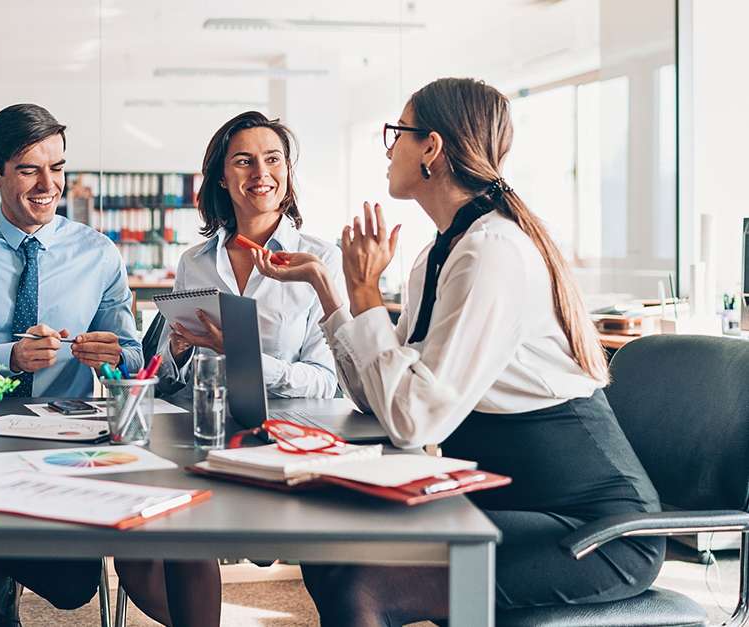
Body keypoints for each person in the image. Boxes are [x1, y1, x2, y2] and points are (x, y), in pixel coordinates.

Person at [253, 77, 665, 626]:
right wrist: (334, 293)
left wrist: (367, 294)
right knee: (330, 552)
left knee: (364, 583)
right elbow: (380, 397)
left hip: (597, 532)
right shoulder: (439, 254)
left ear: (431, 148)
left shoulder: (491, 253)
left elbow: (414, 422)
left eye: (396, 133)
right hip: (509, 502)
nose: (388, 148)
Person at [115, 111, 344, 626]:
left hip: (289, 437)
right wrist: (176, 348)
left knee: (184, 529)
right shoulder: (196, 261)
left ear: (287, 171)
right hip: (206, 433)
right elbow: (173, 379)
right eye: (243, 161)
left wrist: (245, 357)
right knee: (135, 538)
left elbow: (328, 381)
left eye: (272, 159)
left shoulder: (319, 259)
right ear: (223, 176)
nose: (259, 171)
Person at [0, 103, 143, 626]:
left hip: (63, 438)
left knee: (71, 589)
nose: (49, 184)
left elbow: (133, 356)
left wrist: (111, 354)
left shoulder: (99, 253)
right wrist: (9, 357)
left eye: (58, 167)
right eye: (28, 169)